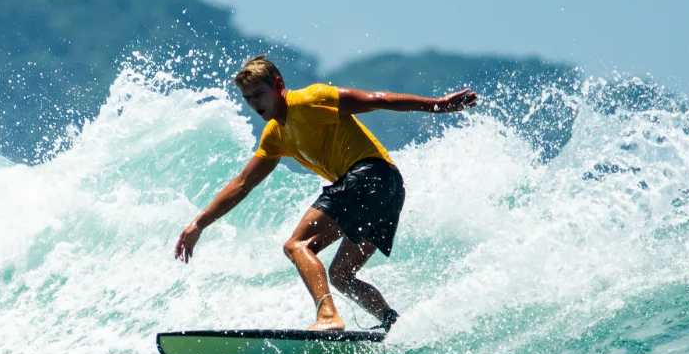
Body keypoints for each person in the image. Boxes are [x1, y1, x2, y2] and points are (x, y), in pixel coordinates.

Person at [173, 56, 477, 331]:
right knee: (341, 275)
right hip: (390, 190)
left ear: (278, 85)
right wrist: (199, 223)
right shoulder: (275, 135)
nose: (254, 103)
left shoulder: (311, 100)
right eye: (247, 98)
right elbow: (243, 183)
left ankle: (328, 317)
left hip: (370, 175)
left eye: (259, 94)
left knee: (297, 245)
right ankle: (392, 323)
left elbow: (378, 99)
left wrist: (437, 106)